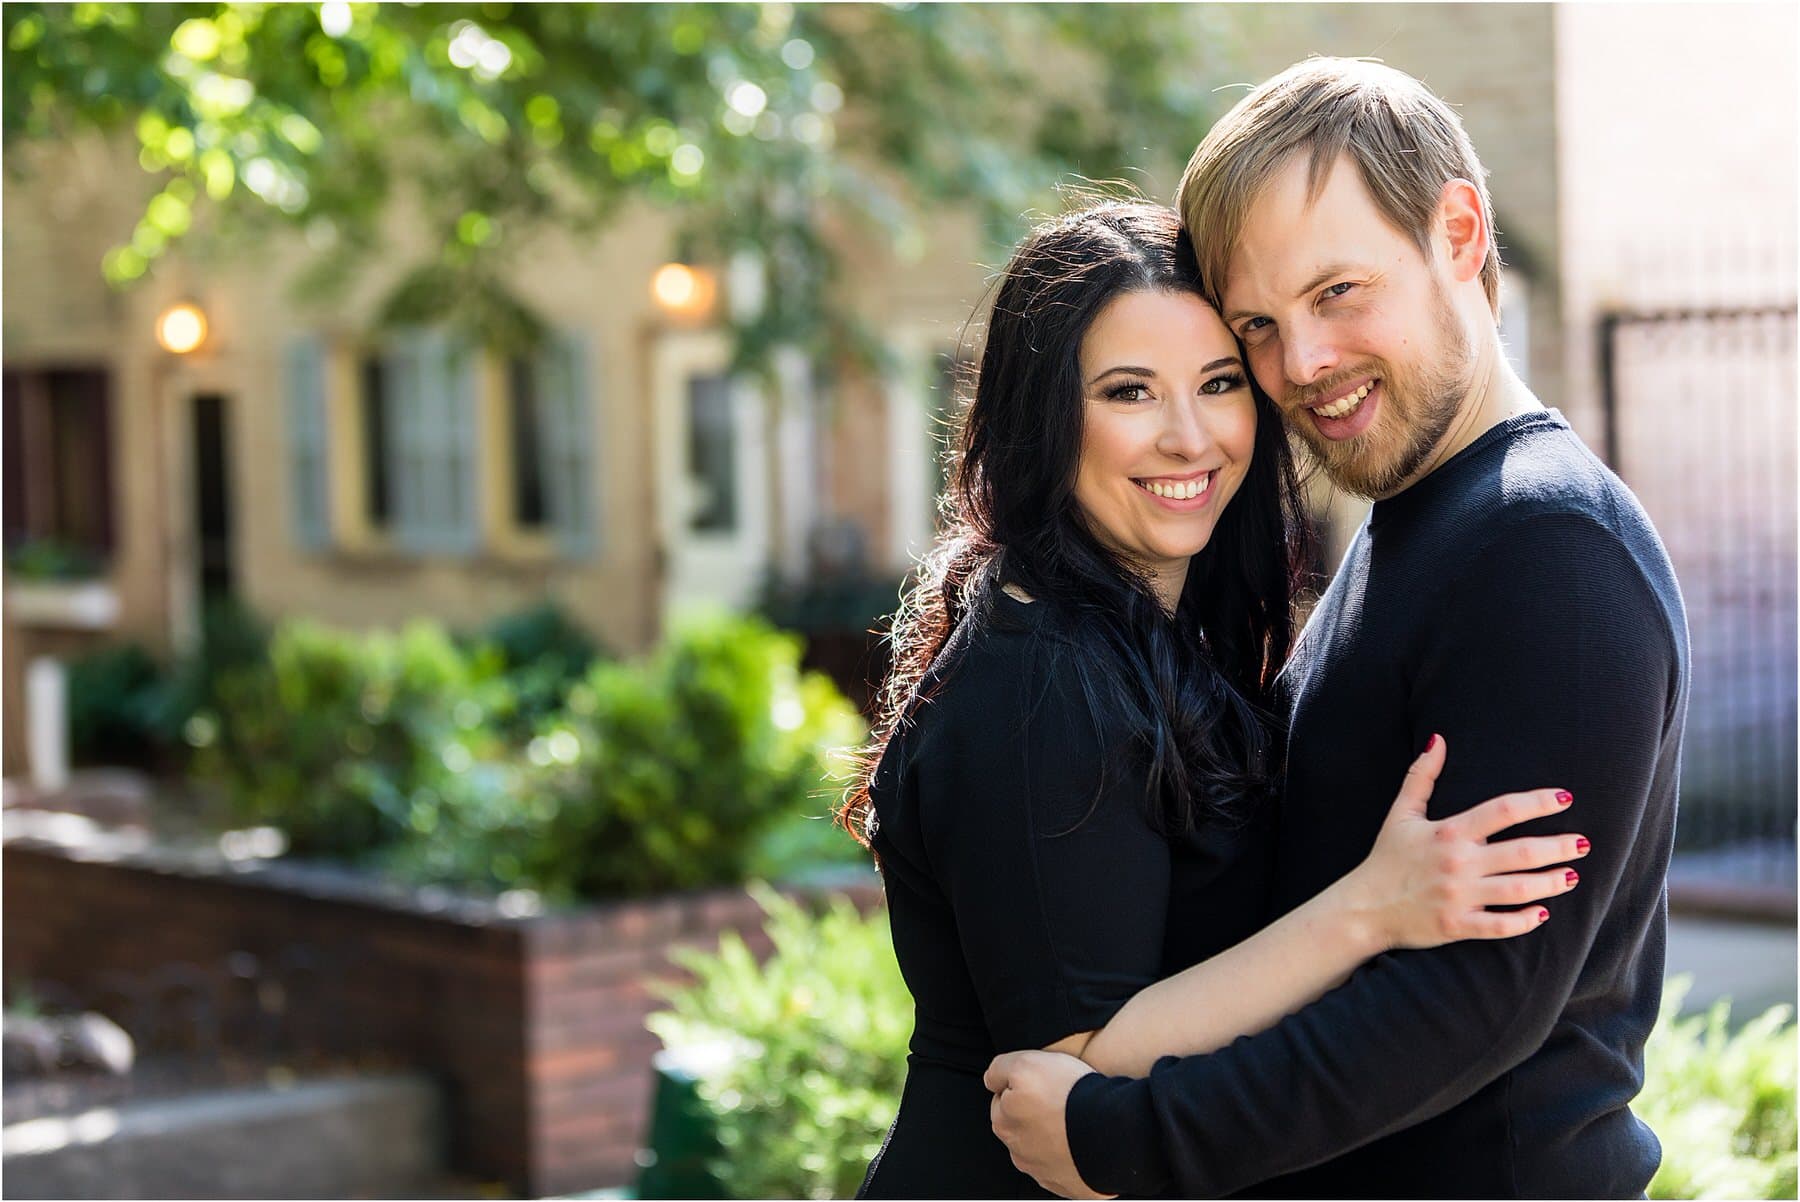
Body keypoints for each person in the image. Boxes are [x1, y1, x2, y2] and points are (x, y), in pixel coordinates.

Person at [986, 58, 1689, 1199]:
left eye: (1338, 293)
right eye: (1259, 325)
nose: (1300, 366)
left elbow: (1470, 1003)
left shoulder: (1548, 546)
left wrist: (1133, 1135)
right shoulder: (1422, 518)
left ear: (1458, 233)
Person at [848, 200, 1588, 1199]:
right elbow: (1082, 1070)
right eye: (1129, 391)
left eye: (1220, 383)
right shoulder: (1040, 675)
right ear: (1046, 415)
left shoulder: (1149, 637)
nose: (1189, 436)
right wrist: (1373, 906)